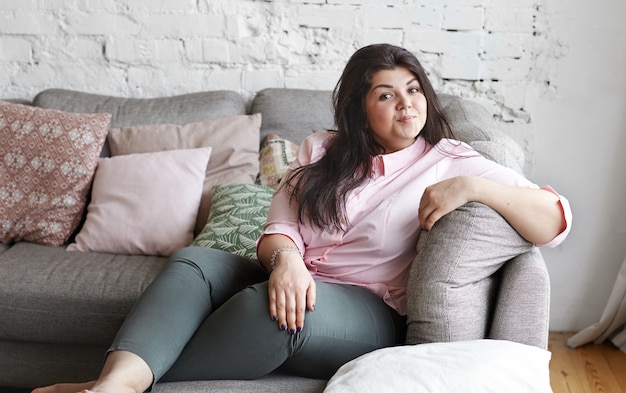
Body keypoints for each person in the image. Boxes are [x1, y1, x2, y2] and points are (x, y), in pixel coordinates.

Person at [33, 43, 571, 393]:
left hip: (371, 310)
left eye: (414, 91)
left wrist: (475, 186)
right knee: (196, 260)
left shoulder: (454, 161)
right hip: (294, 275)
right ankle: (113, 388)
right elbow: (280, 228)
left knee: (281, 312)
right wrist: (287, 262)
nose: (408, 105)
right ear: (360, 109)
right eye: (387, 95)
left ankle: (111, 387)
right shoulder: (323, 150)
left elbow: (554, 219)